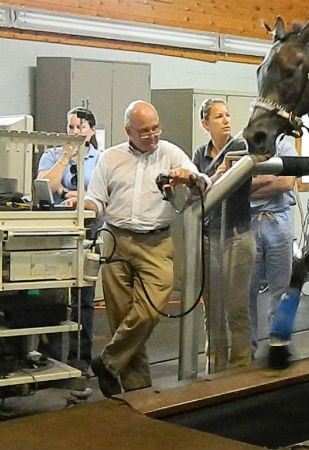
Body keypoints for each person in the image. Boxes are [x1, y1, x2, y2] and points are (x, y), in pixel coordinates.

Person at [74, 100, 210, 397]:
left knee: (149, 311)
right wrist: (80, 205)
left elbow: (204, 182)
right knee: (122, 318)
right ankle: (139, 392)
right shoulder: (110, 158)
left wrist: (192, 178)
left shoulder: (171, 153)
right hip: (115, 239)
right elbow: (97, 201)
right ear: (128, 131)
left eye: (155, 128)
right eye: (144, 131)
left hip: (156, 241)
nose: (152, 136)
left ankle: (107, 361)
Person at [192, 98, 256, 370]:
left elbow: (235, 184)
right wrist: (217, 174)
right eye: (219, 116)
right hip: (209, 237)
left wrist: (217, 178)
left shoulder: (240, 148)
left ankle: (240, 366)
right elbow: (198, 191)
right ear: (205, 124)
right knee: (213, 308)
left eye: (228, 115)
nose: (227, 120)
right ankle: (215, 364)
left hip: (236, 236)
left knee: (237, 307)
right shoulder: (199, 154)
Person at [36, 106, 102, 371]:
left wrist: (76, 197)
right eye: (71, 127)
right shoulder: (52, 154)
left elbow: (98, 196)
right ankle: (48, 356)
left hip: (87, 231)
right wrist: (66, 156)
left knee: (83, 299)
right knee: (51, 296)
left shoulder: (101, 158)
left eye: (81, 128)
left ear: (91, 131)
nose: (75, 132)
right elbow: (44, 185)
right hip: (55, 232)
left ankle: (80, 359)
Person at [249, 139, 297, 357]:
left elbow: (286, 183)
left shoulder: (285, 147)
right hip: (249, 221)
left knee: (281, 285)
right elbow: (240, 184)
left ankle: (278, 342)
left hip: (279, 220)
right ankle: (246, 347)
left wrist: (254, 184)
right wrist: (270, 179)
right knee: (247, 289)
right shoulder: (242, 146)